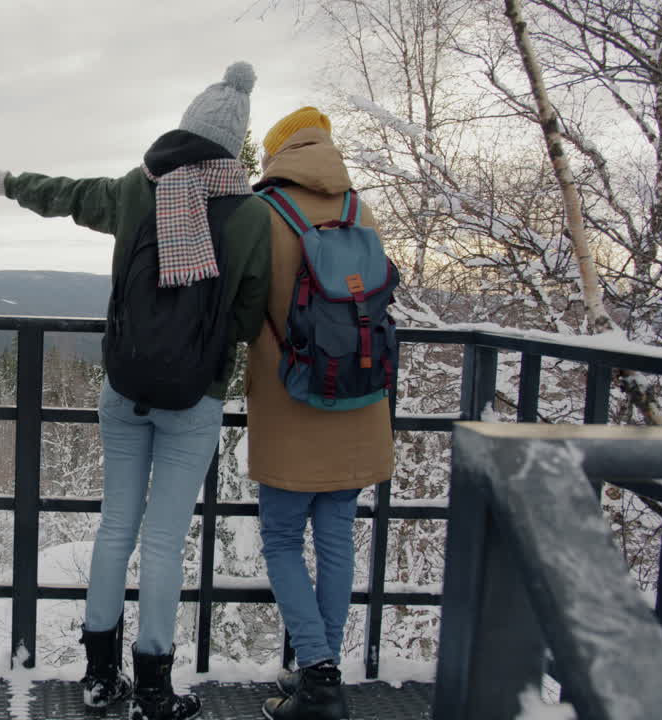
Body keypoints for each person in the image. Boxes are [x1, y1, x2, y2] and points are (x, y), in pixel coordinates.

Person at [0, 63, 271, 720]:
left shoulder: (142, 189)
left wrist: (6, 182)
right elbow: (249, 318)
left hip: (124, 388)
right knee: (164, 542)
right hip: (194, 400)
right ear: (235, 143)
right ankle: (156, 690)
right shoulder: (251, 217)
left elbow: (70, 194)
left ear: (185, 126)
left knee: (115, 530)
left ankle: (101, 678)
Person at [248, 107, 395, 720]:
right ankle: (323, 674)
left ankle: (318, 674)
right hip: (360, 399)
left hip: (291, 400)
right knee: (336, 537)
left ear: (277, 156)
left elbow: (242, 303)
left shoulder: (264, 213)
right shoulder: (361, 211)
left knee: (282, 538)